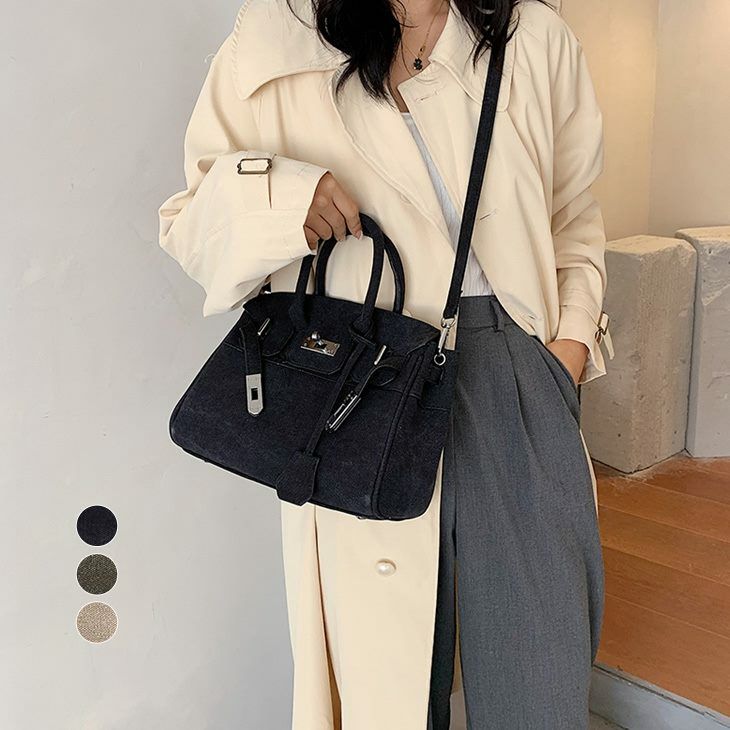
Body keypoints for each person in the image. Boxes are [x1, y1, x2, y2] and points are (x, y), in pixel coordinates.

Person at [157, 0, 615, 727]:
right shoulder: (277, 36)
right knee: (387, 679)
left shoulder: (532, 34)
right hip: (361, 374)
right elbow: (189, 223)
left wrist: (569, 347)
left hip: (513, 358)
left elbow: (573, 211)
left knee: (542, 656)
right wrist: (284, 198)